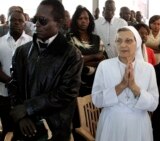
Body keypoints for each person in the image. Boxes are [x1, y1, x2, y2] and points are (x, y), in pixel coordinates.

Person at [7, 0, 83, 140]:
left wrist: (28, 108)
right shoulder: (21, 52)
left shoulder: (72, 55)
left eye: (42, 21)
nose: (36, 25)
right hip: (25, 129)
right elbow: (14, 86)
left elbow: (67, 93)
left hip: (54, 131)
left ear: (59, 23)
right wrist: (21, 117)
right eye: (36, 19)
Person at [92, 26, 159, 141]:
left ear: (137, 43)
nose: (123, 45)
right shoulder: (104, 66)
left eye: (128, 41)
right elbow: (97, 100)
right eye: (119, 41)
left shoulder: (148, 69)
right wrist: (122, 85)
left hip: (139, 125)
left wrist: (134, 87)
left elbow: (153, 105)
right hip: (112, 123)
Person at [0, 11, 32, 141]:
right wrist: (10, 81)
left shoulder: (32, 43)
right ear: (8, 22)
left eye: (20, 21)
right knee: (8, 130)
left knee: (26, 131)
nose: (17, 23)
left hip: (26, 96)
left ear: (25, 24)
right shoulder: (0, 42)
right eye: (13, 20)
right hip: (3, 94)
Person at [67, 5, 104, 96]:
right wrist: (94, 57)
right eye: (80, 18)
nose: (84, 21)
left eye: (86, 18)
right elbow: (72, 61)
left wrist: (83, 61)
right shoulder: (69, 38)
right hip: (77, 84)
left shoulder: (96, 38)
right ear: (75, 20)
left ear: (90, 21)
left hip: (97, 83)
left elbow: (103, 59)